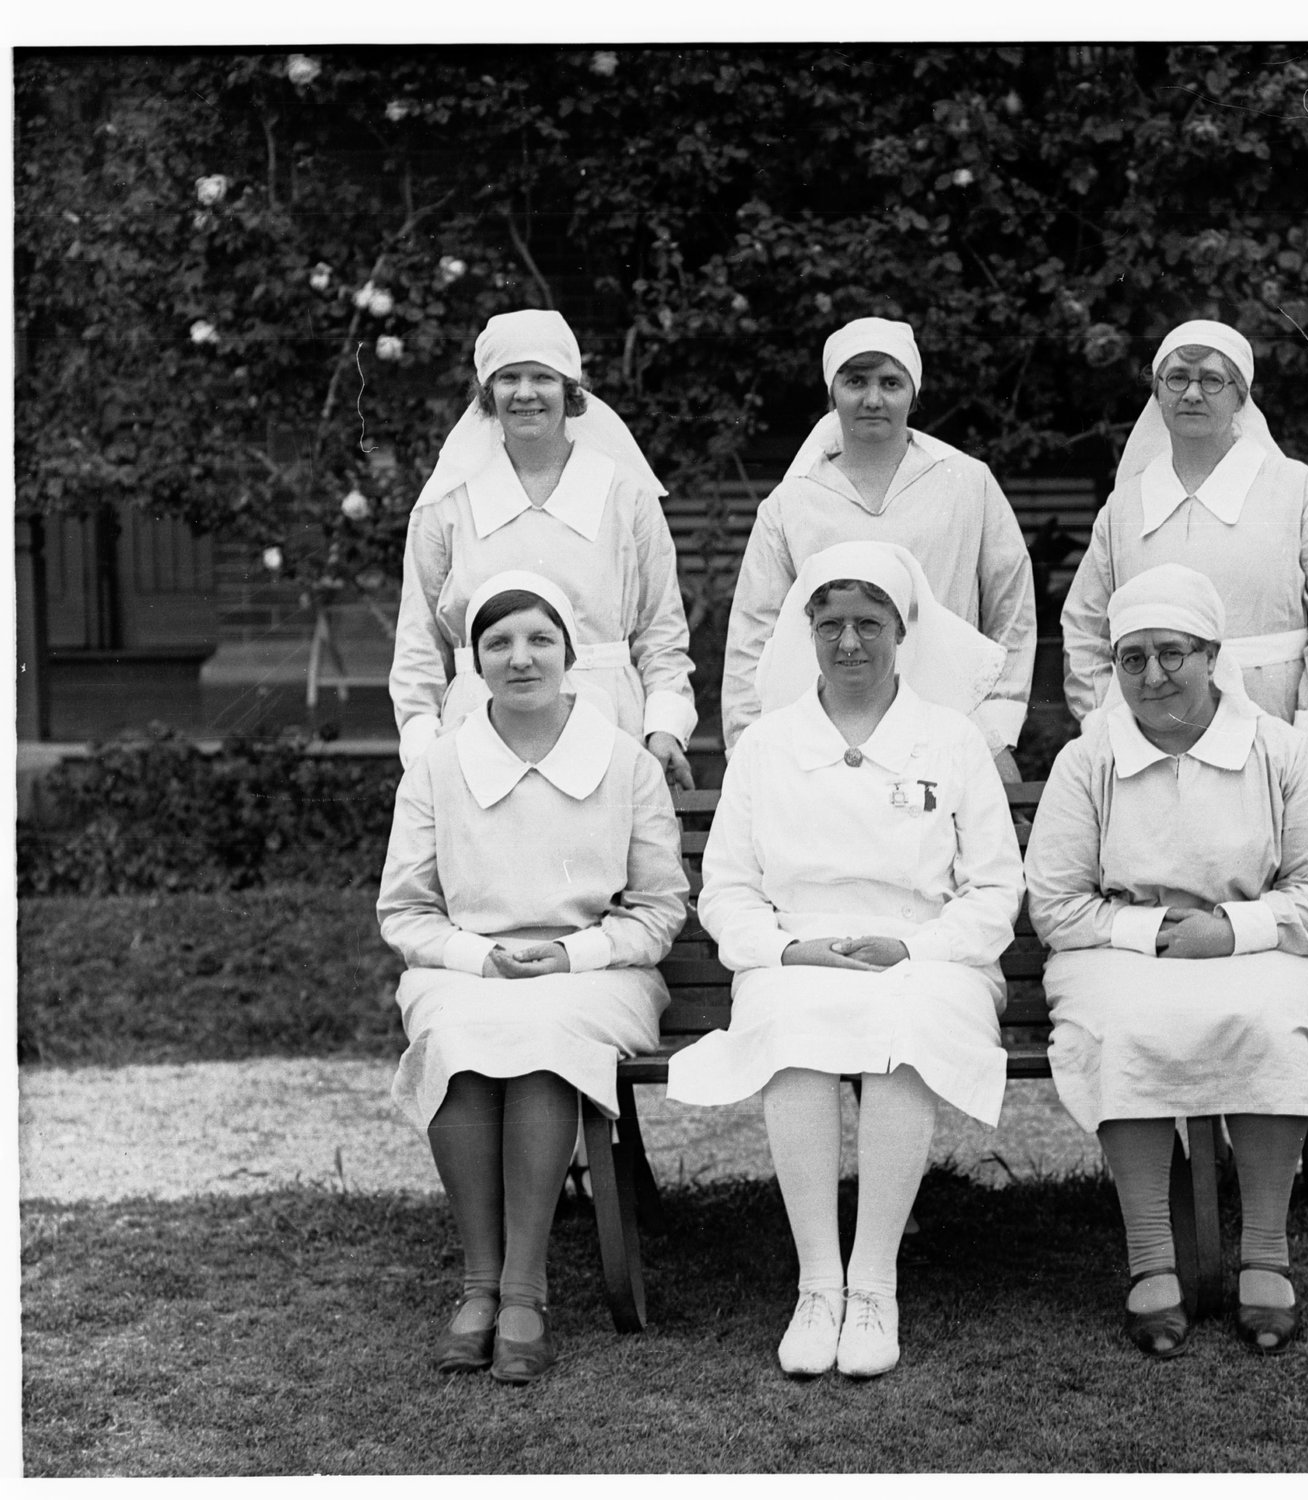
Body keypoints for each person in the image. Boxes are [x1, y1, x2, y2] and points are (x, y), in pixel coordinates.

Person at [1058, 318, 1308, 1230]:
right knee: (1180, 921)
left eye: (1210, 378)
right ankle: (1178, 1149)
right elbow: (1088, 629)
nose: (1191, 393)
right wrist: (1113, 733)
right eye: (1174, 377)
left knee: (1305, 926)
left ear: (1243, 395)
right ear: (1156, 393)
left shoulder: (1295, 490)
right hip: (1158, 742)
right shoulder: (1128, 507)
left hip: (1278, 735)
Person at [668, 541, 1024, 1379]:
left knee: (906, 1026)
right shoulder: (767, 745)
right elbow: (726, 891)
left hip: (930, 955)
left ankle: (874, 1285)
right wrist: (792, 949)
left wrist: (917, 947)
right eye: (831, 624)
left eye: (870, 623)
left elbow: (995, 886)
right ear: (808, 631)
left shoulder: (951, 739)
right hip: (797, 955)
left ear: (904, 630)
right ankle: (817, 1284)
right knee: (796, 1032)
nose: (850, 643)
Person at [1027, 564, 1308, 1358]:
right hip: (1117, 946)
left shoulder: (1281, 751)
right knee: (1124, 1022)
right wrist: (1154, 934)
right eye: (1133, 659)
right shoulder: (1086, 760)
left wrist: (1230, 931)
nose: (1154, 675)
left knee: (1272, 1017)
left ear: (1211, 654)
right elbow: (1057, 906)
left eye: (1173, 653)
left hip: (1257, 939)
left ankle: (1267, 1250)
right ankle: (1152, 1257)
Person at [378, 571, 687, 1384]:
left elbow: (658, 911)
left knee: (545, 1034)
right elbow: (405, 913)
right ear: (475, 662)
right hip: (467, 969)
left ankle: (523, 1291)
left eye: (539, 639)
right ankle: (478, 1286)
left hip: (598, 971)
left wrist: (571, 956)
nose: (521, 659)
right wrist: (482, 959)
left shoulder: (625, 765)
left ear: (569, 653)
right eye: (499, 643)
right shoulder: (439, 769)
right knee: (459, 1034)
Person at [391, 308, 699, 791]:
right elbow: (418, 639)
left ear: (570, 391)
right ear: (487, 394)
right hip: (479, 735)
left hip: (608, 724)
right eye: (509, 378)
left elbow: (661, 630)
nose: (526, 393)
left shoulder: (625, 495)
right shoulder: (447, 504)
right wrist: (423, 743)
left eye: (543, 377)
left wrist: (663, 728)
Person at [721, 316, 1035, 779]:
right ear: (833, 393)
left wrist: (994, 731)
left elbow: (1012, 608)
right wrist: (750, 747)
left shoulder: (967, 482)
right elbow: (754, 632)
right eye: (855, 382)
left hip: (946, 731)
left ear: (914, 392)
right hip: (823, 740)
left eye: (890, 382)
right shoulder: (792, 502)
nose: (872, 399)